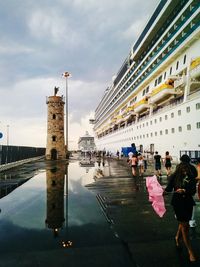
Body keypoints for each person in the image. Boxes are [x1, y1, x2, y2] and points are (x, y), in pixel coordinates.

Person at [164, 154, 197, 262]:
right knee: (185, 225)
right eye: (183, 168)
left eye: (186, 168)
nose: (185, 171)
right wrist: (161, 193)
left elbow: (193, 191)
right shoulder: (175, 175)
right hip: (178, 203)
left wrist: (185, 190)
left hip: (188, 202)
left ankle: (177, 237)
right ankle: (190, 251)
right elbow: (168, 188)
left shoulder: (191, 174)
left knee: (184, 222)